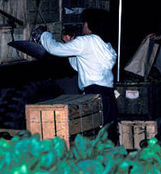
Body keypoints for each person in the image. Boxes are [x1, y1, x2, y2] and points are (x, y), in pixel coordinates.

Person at [37, 9, 119, 143]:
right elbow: (79, 65)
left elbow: (54, 49)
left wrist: (44, 35)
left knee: (93, 135)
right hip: (108, 95)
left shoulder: (86, 41)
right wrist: (69, 44)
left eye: (85, 23)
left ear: (91, 25)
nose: (83, 26)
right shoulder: (106, 45)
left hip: (94, 94)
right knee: (107, 134)